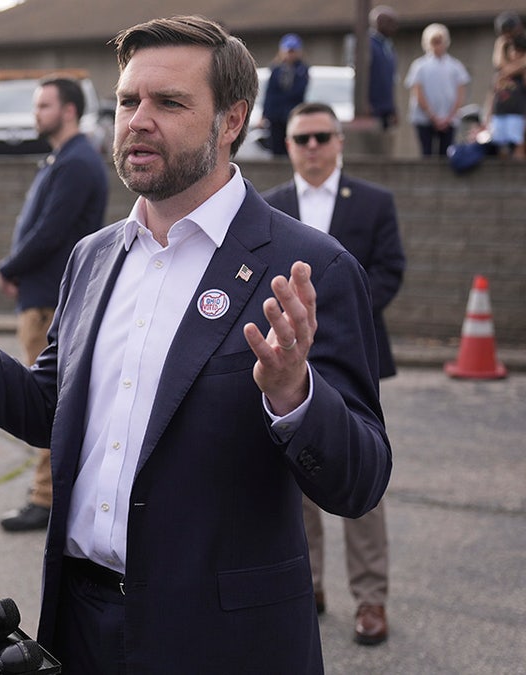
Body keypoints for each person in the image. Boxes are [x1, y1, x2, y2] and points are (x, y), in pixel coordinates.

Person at [0, 15, 392, 673]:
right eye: (128, 100)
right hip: (82, 624)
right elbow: (47, 409)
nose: (139, 119)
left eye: (170, 102)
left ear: (232, 120)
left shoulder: (310, 268)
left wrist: (296, 396)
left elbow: (361, 481)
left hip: (222, 641)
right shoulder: (93, 258)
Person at [262, 101, 405, 646]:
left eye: (323, 136)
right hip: (293, 367)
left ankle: (371, 598)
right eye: (303, 138)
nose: (314, 146)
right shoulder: (270, 207)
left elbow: (391, 267)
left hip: (354, 359)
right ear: (290, 145)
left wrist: (346, 321)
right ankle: (310, 583)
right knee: (298, 477)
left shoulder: (372, 202)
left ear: (340, 141)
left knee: (361, 476)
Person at [0, 76, 108, 532]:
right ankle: (51, 492)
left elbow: (51, 231)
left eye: (44, 105)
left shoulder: (78, 163)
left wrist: (10, 267)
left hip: (51, 302)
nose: (35, 113)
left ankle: (46, 497)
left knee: (46, 402)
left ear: (68, 111)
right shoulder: (64, 159)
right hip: (41, 296)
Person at [404, 23, 470, 157]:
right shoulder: (419, 66)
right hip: (425, 119)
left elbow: (461, 92)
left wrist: (449, 116)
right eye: (433, 42)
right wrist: (433, 116)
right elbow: (417, 92)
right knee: (426, 153)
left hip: (449, 119)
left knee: (445, 155)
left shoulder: (455, 66)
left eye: (440, 42)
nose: (437, 46)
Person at [485, 13, 526, 158]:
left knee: (519, 145)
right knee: (501, 147)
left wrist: (509, 70)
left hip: (519, 112)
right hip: (502, 111)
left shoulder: (523, 40)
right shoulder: (503, 43)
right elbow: (498, 64)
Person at [262, 32, 309, 157]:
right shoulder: (276, 70)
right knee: (275, 147)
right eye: (288, 51)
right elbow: (270, 93)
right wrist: (265, 114)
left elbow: (298, 93)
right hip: (275, 115)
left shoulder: (302, 70)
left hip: (292, 114)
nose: (290, 54)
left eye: (293, 51)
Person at [369, 6, 400, 146]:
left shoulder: (388, 46)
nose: (394, 28)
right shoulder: (368, 44)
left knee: (385, 144)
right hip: (372, 106)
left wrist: (392, 107)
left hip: (385, 107)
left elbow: (390, 80)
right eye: (391, 23)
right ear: (379, 23)